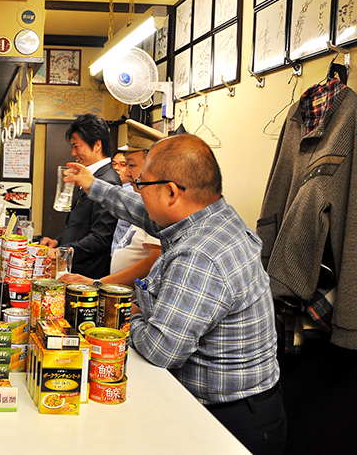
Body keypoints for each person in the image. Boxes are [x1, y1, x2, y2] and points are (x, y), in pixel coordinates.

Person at [65, 133, 286, 455]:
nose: (137, 192)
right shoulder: (209, 216)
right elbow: (143, 211)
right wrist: (93, 184)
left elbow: (160, 350)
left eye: (141, 184)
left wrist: (128, 309)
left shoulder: (200, 254)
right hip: (236, 406)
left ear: (170, 191)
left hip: (232, 421)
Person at [62, 119, 162, 288]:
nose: (127, 174)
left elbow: (101, 236)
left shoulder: (162, 206)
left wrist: (98, 283)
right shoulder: (147, 203)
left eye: (130, 165)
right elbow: (122, 201)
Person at [40, 113, 120, 278]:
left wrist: (60, 253)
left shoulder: (107, 182)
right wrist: (58, 241)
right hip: (75, 269)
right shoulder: (90, 176)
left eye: (76, 146)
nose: (73, 153)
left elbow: (100, 237)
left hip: (89, 275)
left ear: (97, 145)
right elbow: (79, 226)